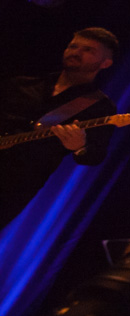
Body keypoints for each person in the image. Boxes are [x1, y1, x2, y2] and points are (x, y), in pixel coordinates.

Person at [0, 28, 119, 229]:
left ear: (105, 63)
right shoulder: (20, 84)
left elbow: (95, 156)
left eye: (88, 50)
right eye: (73, 46)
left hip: (14, 186)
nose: (76, 52)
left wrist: (80, 146)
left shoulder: (99, 107)